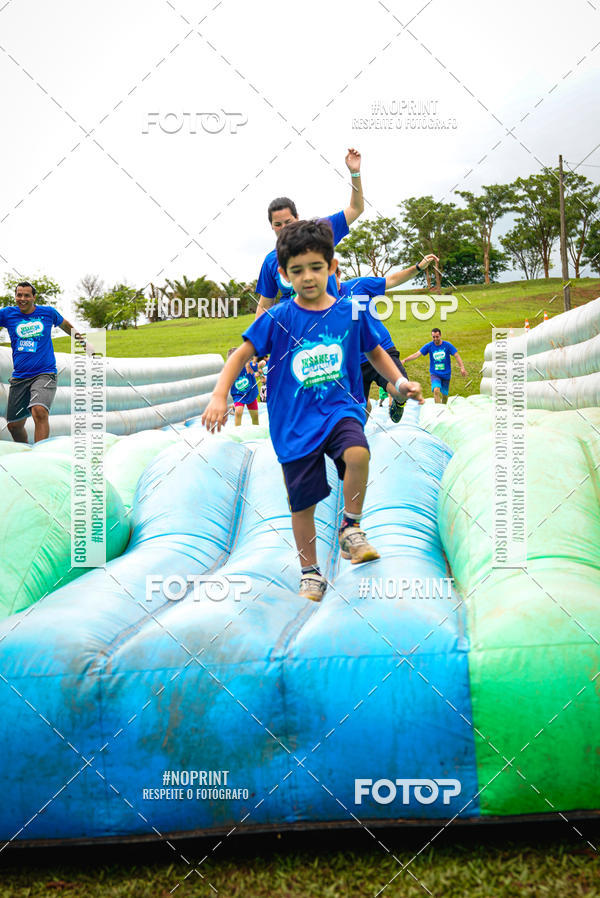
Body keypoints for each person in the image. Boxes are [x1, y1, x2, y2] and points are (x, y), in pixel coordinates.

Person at [202, 220, 424, 602]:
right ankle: (310, 571)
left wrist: (399, 383)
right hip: (294, 422)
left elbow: (374, 351)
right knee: (302, 504)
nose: (307, 277)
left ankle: (350, 527)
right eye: (297, 270)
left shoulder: (350, 312)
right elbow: (240, 355)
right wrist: (220, 396)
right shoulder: (277, 318)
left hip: (340, 407)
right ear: (285, 276)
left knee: (358, 452)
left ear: (332, 267)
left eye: (316, 267)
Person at [254, 148, 364, 317]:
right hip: (293, 331)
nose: (284, 228)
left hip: (330, 325)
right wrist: (257, 342)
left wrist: (355, 174)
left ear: (297, 217)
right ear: (271, 225)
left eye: (288, 222)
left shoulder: (318, 232)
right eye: (278, 224)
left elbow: (356, 209)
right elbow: (264, 305)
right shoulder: (271, 261)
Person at [335, 255, 438, 422]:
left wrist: (418, 267)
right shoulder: (320, 305)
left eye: (331, 275)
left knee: (401, 392)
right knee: (360, 409)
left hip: (381, 350)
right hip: (352, 362)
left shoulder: (358, 285)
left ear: (338, 273)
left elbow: (391, 280)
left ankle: (398, 402)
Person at [0, 281, 89, 442]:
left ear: (34, 297)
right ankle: (27, 453)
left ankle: (40, 455)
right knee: (14, 426)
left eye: (27, 295)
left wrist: (84, 343)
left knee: (39, 410)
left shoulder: (48, 313)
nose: (22, 298)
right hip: (19, 376)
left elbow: (66, 326)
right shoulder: (7, 314)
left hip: (44, 373)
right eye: (19, 295)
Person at [402, 328, 467, 404]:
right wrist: (405, 360)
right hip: (435, 373)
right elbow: (417, 354)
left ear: (440, 335)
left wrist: (462, 367)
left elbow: (456, 355)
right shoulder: (429, 346)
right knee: (436, 390)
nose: (435, 339)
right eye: (433, 337)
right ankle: (438, 410)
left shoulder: (447, 345)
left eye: (437, 337)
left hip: (446, 374)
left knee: (445, 395)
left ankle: (443, 408)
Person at [227, 348, 259, 425]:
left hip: (250, 392)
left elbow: (259, 366)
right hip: (238, 394)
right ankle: (237, 428)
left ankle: (256, 427)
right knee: (239, 412)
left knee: (255, 416)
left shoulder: (247, 366)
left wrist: (257, 374)